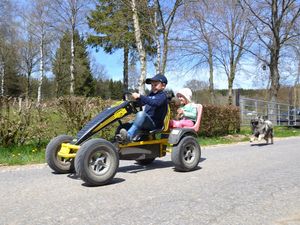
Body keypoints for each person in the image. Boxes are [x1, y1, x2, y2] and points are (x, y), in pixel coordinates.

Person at [116, 73, 168, 142]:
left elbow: (155, 103)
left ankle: (128, 136)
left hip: (154, 124)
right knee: (123, 126)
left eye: (155, 85)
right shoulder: (150, 94)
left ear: (163, 86)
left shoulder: (162, 96)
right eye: (152, 85)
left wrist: (140, 96)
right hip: (145, 121)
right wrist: (135, 100)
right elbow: (142, 103)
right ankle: (116, 142)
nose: (153, 87)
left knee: (141, 114)